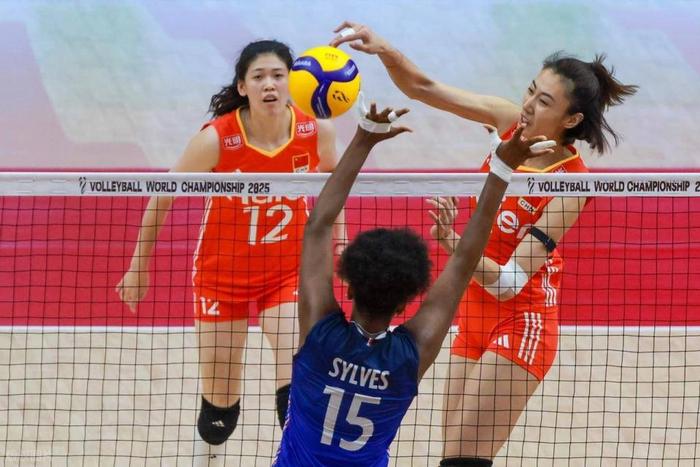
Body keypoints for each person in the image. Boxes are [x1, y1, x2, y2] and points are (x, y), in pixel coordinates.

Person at [331, 22, 638, 466]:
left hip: (522, 320)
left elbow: (511, 282)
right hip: (472, 316)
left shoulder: (571, 184)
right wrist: (385, 50)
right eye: (531, 90)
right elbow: (424, 88)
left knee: (462, 459)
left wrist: (453, 242)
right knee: (456, 454)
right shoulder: (508, 122)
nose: (528, 105)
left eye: (544, 101)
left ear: (571, 120)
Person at [272, 97, 554, 466]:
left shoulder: (321, 334)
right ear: (406, 302)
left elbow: (317, 226)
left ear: (350, 286)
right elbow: (464, 262)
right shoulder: (410, 354)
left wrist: (363, 138)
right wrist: (502, 167)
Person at [115, 39, 344, 458]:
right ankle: (208, 453)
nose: (269, 84)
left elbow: (335, 183)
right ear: (242, 87)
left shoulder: (316, 132)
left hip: (286, 274)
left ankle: (297, 461)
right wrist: (138, 267)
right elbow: (162, 196)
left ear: (292, 81)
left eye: (278, 75)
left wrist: (340, 241)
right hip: (221, 279)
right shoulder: (217, 140)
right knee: (219, 413)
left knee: (298, 378)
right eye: (259, 77)